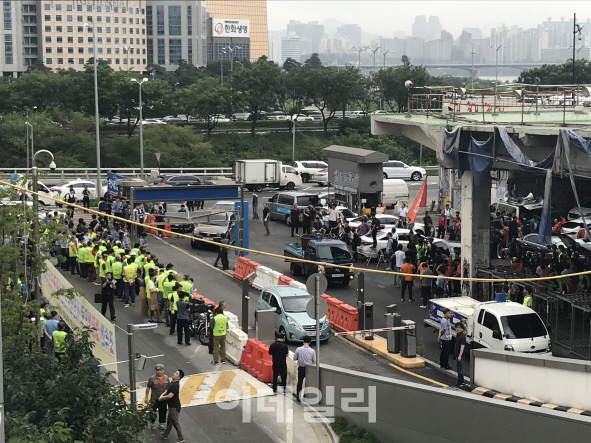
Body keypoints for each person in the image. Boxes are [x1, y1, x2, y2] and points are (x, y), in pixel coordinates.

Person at [159, 369, 185, 443]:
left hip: (174, 407)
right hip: (171, 406)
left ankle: (181, 438)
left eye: (176, 373)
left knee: (175, 422)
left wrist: (162, 397)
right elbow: (167, 391)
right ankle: (165, 434)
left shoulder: (175, 385)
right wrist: (162, 395)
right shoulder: (172, 382)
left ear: (179, 377)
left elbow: (170, 395)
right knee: (170, 421)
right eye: (175, 372)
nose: (174, 374)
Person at [144, 364, 169, 430]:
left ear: (163, 370)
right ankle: (152, 423)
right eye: (158, 370)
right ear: (156, 371)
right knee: (153, 411)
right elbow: (148, 388)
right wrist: (146, 397)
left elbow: (168, 388)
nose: (159, 372)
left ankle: (161, 423)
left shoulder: (166, 378)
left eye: (161, 370)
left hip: (163, 399)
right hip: (154, 398)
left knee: (163, 411)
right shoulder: (152, 378)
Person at [294, 335, 316, 402]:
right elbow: (314, 361)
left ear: (303, 341)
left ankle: (298, 396)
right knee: (308, 382)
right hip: (309, 368)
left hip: (301, 368)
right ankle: (306, 395)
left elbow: (295, 358)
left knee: (300, 382)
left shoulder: (298, 349)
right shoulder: (312, 351)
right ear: (310, 342)